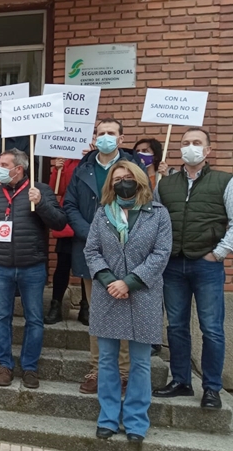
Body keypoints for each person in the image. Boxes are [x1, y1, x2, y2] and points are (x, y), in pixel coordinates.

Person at [85, 161, 172, 442]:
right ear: (111, 184)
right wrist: (110, 280)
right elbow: (92, 250)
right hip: (107, 293)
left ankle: (136, 421)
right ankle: (108, 418)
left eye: (128, 177)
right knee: (107, 360)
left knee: (141, 362)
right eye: (117, 178)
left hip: (143, 294)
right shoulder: (102, 214)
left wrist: (129, 282)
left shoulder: (158, 214)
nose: (123, 182)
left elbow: (161, 254)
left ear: (139, 180)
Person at [64, 118, 146, 395]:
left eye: (111, 133)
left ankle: (123, 373)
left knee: (124, 312)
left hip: (128, 252)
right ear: (94, 138)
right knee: (98, 314)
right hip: (92, 252)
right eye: (101, 133)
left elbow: (146, 203)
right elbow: (70, 206)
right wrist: (94, 235)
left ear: (121, 139)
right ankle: (97, 370)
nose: (105, 137)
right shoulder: (83, 169)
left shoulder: (134, 168)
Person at [153, 127, 233, 410]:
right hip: (173, 265)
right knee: (176, 326)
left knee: (211, 329)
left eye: (197, 143)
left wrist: (219, 253)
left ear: (208, 150)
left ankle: (211, 388)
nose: (190, 147)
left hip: (206, 265)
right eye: (185, 143)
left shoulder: (225, 181)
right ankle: (181, 381)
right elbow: (156, 221)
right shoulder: (165, 183)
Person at [0, 149, 67, 389]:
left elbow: (59, 222)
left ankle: (30, 368)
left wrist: (40, 204)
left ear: (18, 169)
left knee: (34, 319)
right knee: (2, 317)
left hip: (32, 266)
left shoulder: (40, 191)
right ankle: (5, 365)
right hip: (0, 266)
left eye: (4, 164)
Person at [44, 157, 84, 325]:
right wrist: (57, 171)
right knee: (62, 266)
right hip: (68, 222)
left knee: (87, 267)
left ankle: (86, 307)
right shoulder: (66, 163)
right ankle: (56, 306)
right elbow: (55, 191)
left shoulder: (95, 161)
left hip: (88, 221)